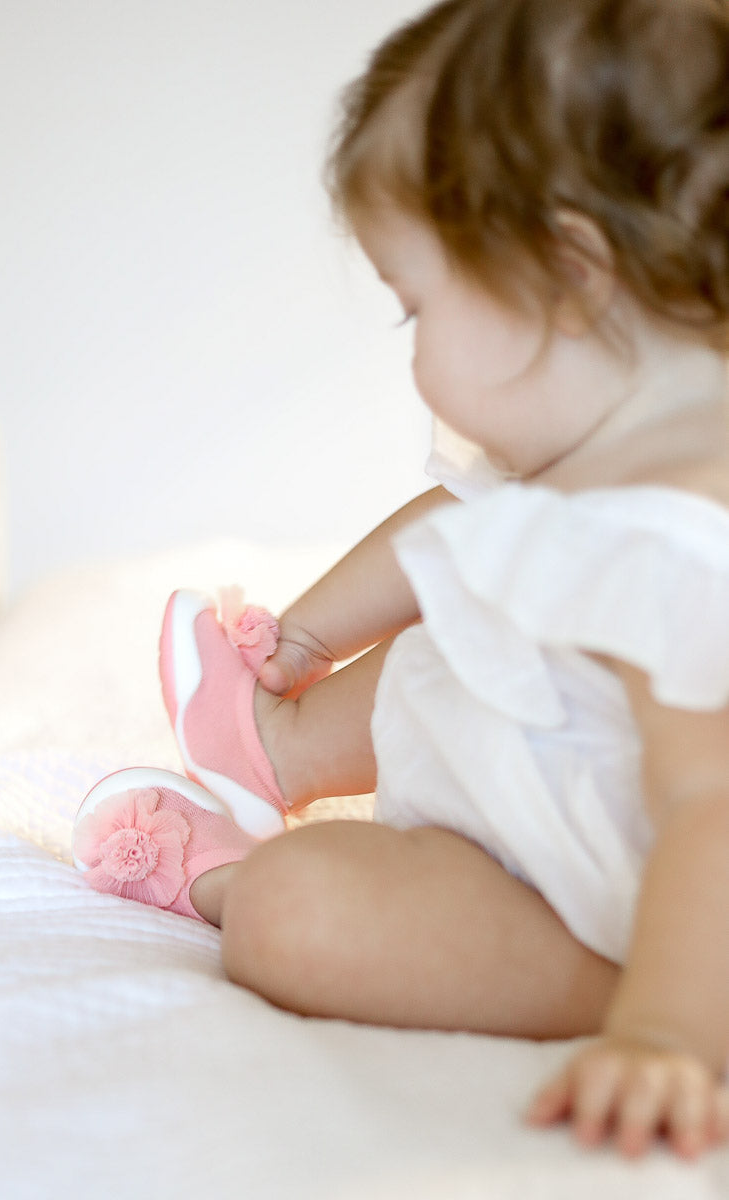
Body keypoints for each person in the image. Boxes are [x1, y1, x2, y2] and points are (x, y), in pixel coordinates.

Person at [72, 0, 729, 1159]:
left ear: (569, 276)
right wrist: (307, 637)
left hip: (643, 910)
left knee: (293, 915)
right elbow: (448, 537)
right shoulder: (592, 456)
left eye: (415, 306)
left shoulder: (676, 537)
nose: (412, 349)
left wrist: (664, 1029)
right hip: (540, 830)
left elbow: (712, 808)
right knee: (467, 633)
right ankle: (273, 745)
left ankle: (231, 874)